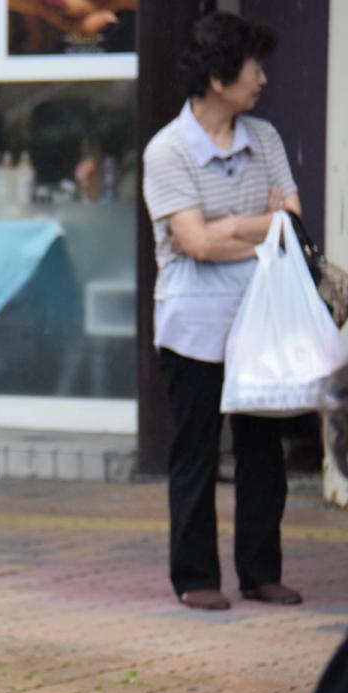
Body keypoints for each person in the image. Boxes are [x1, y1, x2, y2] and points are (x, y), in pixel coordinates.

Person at [142, 11, 302, 611]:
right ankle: (196, 577)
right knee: (196, 450)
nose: (262, 77)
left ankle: (262, 571)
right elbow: (195, 243)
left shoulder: (264, 137)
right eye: (253, 66)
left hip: (261, 315)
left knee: (265, 448)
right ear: (217, 76)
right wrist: (258, 225)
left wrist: (230, 225)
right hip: (193, 324)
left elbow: (294, 218)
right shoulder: (167, 150)